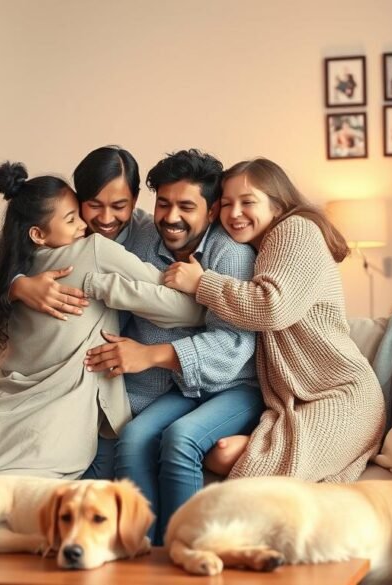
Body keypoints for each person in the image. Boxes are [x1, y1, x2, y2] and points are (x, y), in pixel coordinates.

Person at [0, 162, 201, 537]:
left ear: (134, 201)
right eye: (77, 215)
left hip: (18, 399)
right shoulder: (84, 252)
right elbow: (185, 308)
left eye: (117, 206)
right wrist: (93, 286)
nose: (90, 223)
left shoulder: (20, 255)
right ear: (39, 233)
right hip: (32, 401)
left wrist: (90, 285)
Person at [96, 158, 385, 482]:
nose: (234, 213)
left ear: (277, 204)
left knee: (255, 479)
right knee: (223, 457)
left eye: (248, 202)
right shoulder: (254, 249)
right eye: (228, 204)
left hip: (337, 393)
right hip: (289, 402)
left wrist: (200, 283)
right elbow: (129, 220)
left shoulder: (296, 228)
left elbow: (273, 307)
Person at [81, 150, 261, 544]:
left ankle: (184, 553)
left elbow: (233, 345)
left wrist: (147, 356)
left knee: (180, 439)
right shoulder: (145, 237)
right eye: (163, 203)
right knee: (133, 438)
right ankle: (143, 553)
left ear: (211, 211)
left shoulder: (230, 254)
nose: (171, 216)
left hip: (234, 387)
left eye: (186, 206)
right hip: (179, 388)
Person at [0, 146, 151, 320]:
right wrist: (20, 286)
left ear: (134, 200)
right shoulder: (66, 226)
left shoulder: (147, 230)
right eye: (94, 205)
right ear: (79, 198)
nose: (106, 218)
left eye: (119, 206)